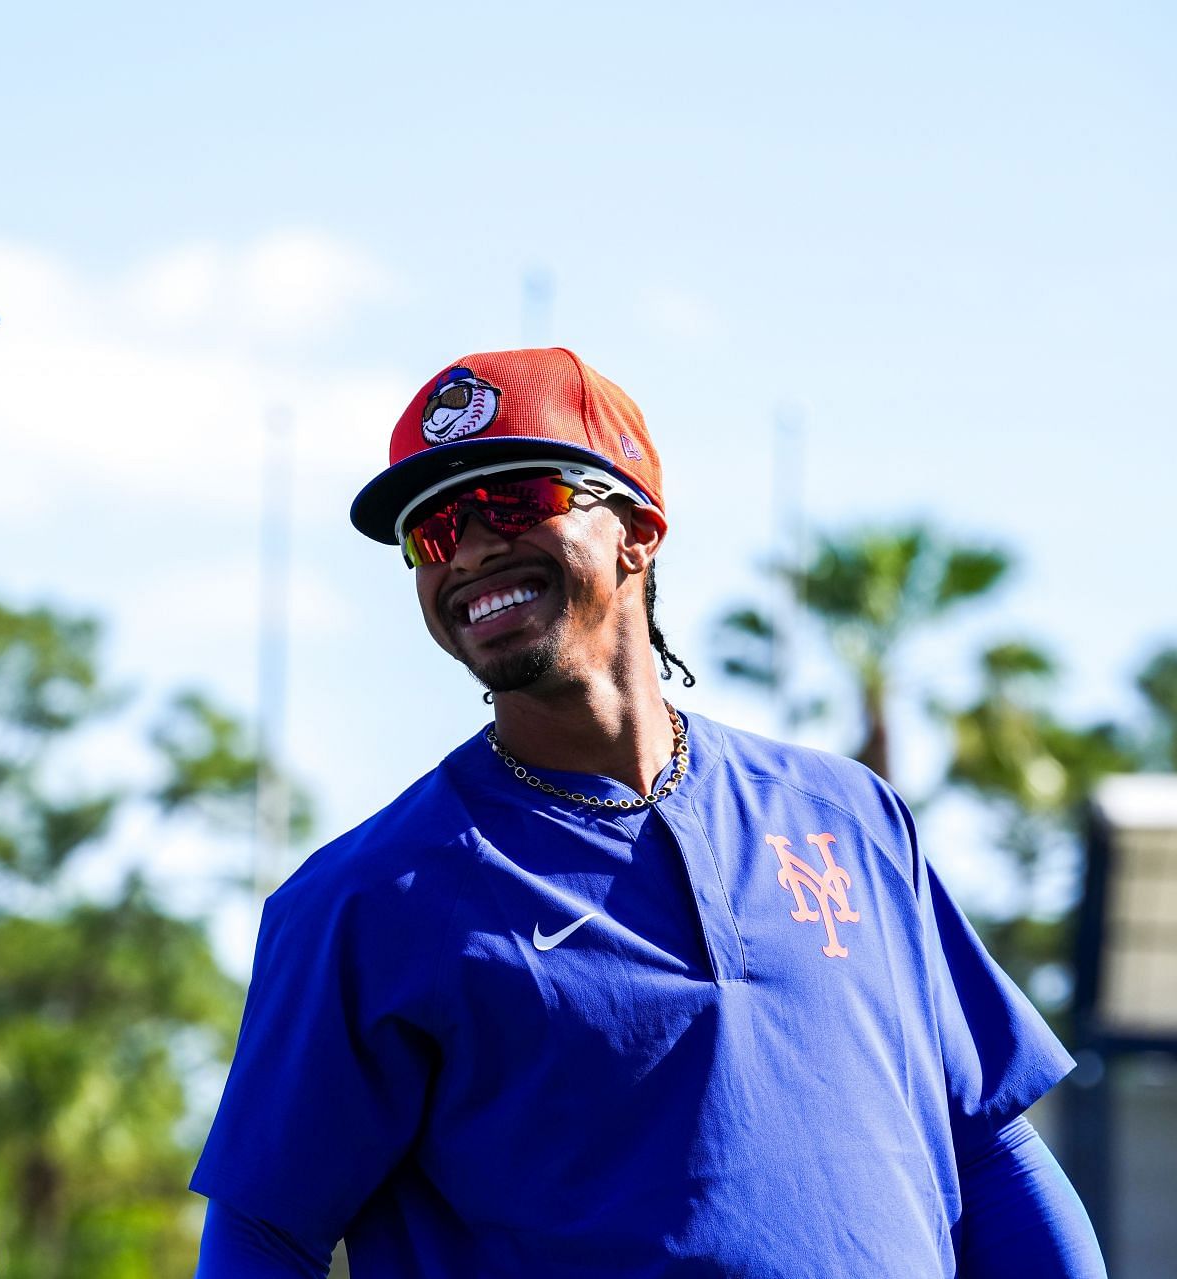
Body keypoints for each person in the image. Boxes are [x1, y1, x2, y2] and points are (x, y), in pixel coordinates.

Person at [190, 348, 1106, 1276]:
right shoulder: (366, 897)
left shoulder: (851, 817)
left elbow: (988, 1148)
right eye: (431, 534)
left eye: (512, 503)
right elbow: (264, 1232)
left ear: (638, 527)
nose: (467, 549)